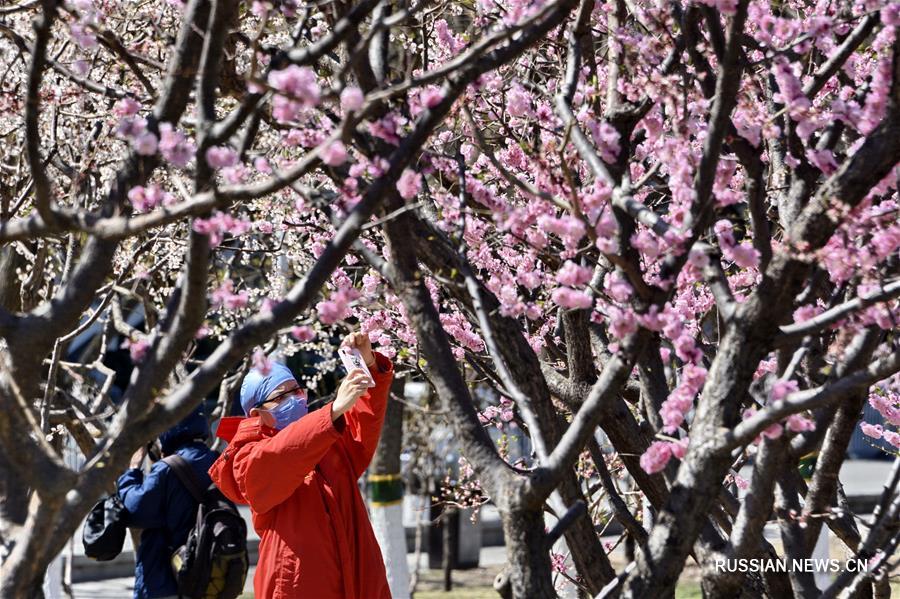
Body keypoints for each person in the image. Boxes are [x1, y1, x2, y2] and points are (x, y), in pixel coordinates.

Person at [209, 332, 393, 599]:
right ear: (256, 413)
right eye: (281, 396)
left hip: (356, 576)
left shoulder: (327, 440)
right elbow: (280, 455)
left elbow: (362, 422)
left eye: (296, 390)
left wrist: (369, 364)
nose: (295, 398)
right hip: (296, 584)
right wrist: (330, 412)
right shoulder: (247, 457)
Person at [117, 407, 219, 599]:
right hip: (208, 575)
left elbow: (135, 510)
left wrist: (132, 471)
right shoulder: (217, 460)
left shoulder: (167, 469)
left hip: (166, 579)